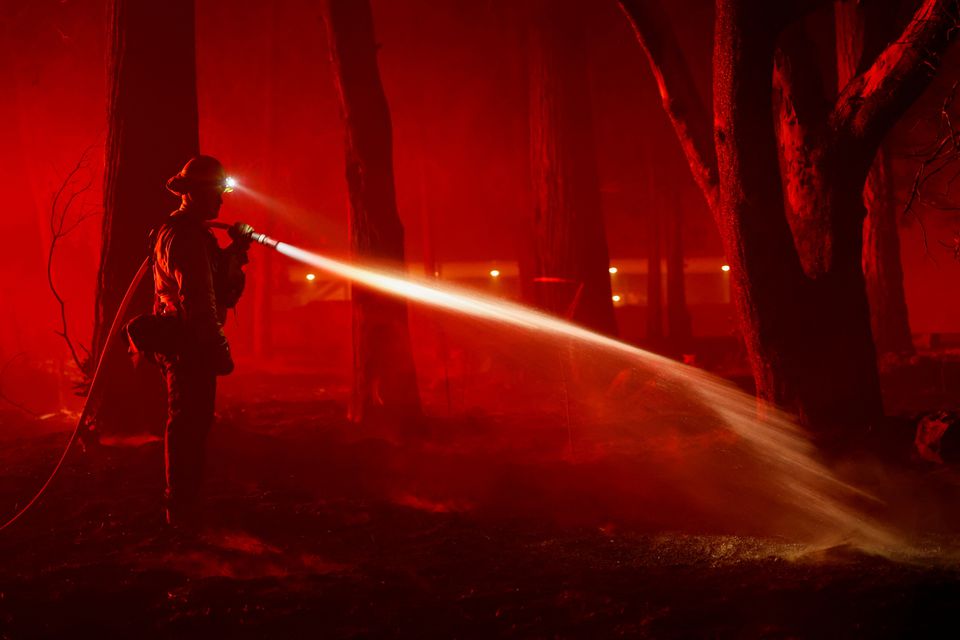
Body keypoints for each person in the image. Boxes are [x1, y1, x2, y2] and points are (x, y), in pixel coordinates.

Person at [153, 155, 250, 527]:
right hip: (187, 345)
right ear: (191, 193)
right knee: (187, 426)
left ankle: (185, 507)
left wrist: (235, 253)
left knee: (194, 425)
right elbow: (200, 302)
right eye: (214, 192)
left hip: (190, 343)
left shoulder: (194, 235)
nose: (220, 201)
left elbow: (218, 288)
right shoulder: (183, 236)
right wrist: (217, 348)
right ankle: (180, 513)